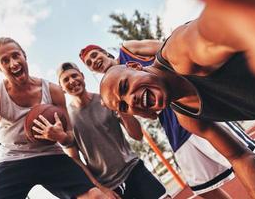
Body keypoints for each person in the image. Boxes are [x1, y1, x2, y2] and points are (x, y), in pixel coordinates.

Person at [99, 28, 255, 198]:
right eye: (124, 107)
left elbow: (241, 21)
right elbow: (240, 157)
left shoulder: (181, 51)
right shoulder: (186, 117)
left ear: (136, 66)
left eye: (124, 86)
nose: (131, 101)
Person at [0, 37, 107, 199]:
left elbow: (70, 138)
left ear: (24, 56)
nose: (13, 63)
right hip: (14, 159)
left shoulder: (53, 91)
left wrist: (60, 136)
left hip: (51, 154)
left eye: (16, 56)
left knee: (96, 196)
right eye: (5, 61)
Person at [32, 62, 169, 199]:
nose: (72, 81)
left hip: (134, 169)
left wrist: (120, 107)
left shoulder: (107, 100)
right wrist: (100, 188)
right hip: (110, 187)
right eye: (66, 80)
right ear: (62, 88)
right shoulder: (67, 119)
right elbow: (75, 159)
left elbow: (137, 135)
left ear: (82, 76)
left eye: (74, 75)